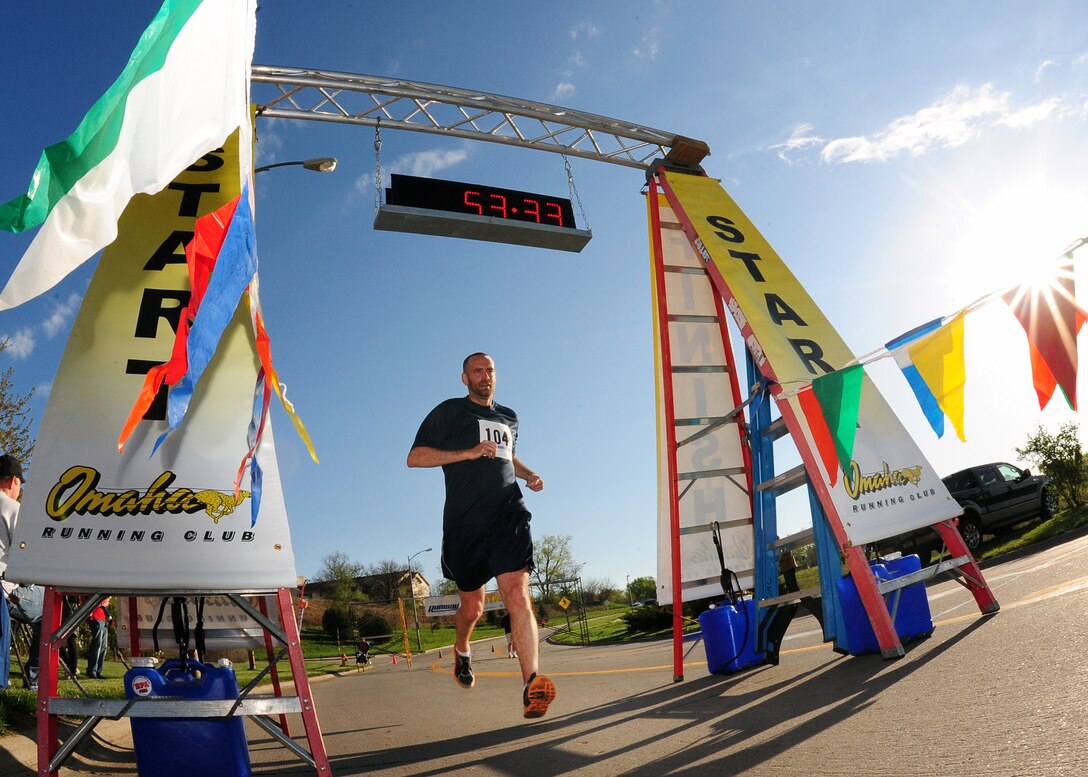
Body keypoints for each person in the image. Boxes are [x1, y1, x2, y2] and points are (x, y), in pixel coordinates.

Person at [408, 353, 556, 719]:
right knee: (472, 607)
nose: (485, 375)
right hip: (464, 523)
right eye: (477, 370)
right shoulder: (449, 412)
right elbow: (415, 457)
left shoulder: (509, 417)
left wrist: (529, 474)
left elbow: (509, 458)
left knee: (518, 594)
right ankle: (462, 650)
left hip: (508, 514)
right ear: (464, 378)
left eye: (490, 370)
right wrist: (468, 453)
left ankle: (531, 684)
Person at [0, 454, 25, 689]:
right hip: (6, 588)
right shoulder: (13, 507)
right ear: (13, 481)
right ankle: (37, 676)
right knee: (54, 610)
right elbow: (26, 553)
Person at [86, 597, 113, 678]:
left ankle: (98, 671)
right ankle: (92, 670)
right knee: (97, 644)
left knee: (103, 646)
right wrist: (102, 604)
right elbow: (88, 603)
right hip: (95, 617)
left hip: (103, 618)